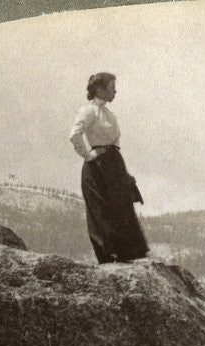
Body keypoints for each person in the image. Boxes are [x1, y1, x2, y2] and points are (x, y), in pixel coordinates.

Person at [69, 72, 149, 264]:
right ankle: (108, 257)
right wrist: (88, 155)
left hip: (114, 166)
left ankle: (126, 255)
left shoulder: (110, 114)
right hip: (98, 168)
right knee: (101, 210)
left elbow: (114, 144)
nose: (115, 91)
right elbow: (74, 135)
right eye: (112, 87)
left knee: (122, 208)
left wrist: (125, 173)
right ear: (99, 89)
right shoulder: (88, 111)